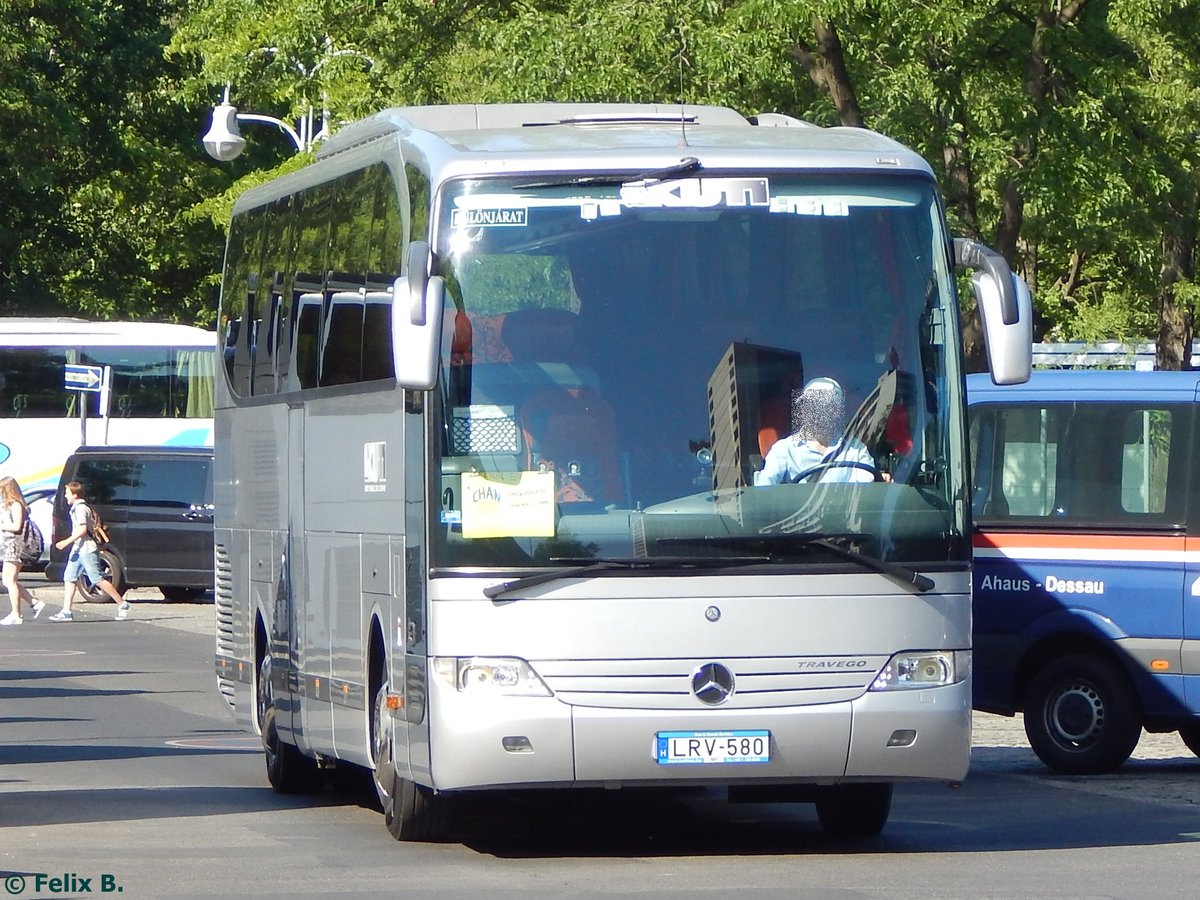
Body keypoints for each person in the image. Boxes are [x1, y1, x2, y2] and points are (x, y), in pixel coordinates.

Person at [754, 377, 880, 485]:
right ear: (803, 410)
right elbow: (764, 488)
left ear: (837, 411)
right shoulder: (784, 449)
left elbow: (866, 490)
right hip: (799, 514)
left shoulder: (856, 449)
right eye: (812, 405)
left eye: (826, 405)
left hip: (843, 513)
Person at [48, 481, 130, 622]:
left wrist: (65, 542)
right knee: (69, 578)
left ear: (75, 494)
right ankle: (66, 611)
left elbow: (82, 530)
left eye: (67, 493)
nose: (66, 496)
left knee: (96, 578)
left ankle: (122, 604)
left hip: (87, 549)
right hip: (78, 549)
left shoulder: (80, 509)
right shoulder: (76, 508)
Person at [0, 475, 44, 625]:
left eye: (2, 490)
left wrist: (2, 526)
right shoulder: (10, 505)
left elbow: (16, 527)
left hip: (16, 546)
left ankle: (16, 614)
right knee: (8, 580)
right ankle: (34, 602)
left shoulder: (16, 505)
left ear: (8, 490)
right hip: (10, 546)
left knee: (9, 580)